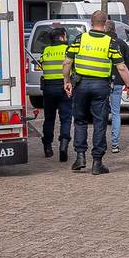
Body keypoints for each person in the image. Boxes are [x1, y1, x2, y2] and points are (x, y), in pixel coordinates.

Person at [62, 10, 129, 176]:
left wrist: (66, 81)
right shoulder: (110, 42)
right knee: (100, 122)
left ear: (91, 22)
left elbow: (67, 62)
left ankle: (80, 157)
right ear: (105, 23)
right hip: (101, 86)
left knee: (80, 121)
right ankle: (97, 162)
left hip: (81, 85)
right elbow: (121, 67)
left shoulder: (80, 39)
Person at [38, 27, 73, 160]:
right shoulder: (67, 49)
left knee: (49, 119)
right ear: (62, 37)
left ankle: (47, 147)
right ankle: (63, 144)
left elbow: (42, 63)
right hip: (64, 87)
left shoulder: (46, 50)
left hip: (48, 89)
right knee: (66, 118)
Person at [104, 20, 129, 154]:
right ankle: (115, 144)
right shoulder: (121, 44)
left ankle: (100, 142)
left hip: (101, 83)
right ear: (114, 30)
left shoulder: (101, 43)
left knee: (101, 113)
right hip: (117, 82)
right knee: (116, 113)